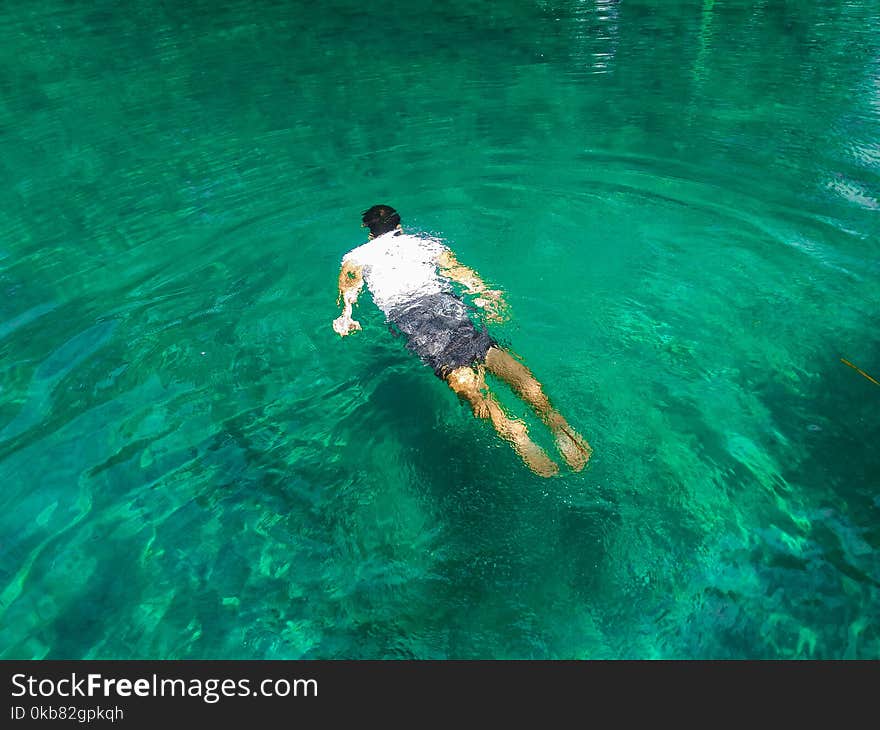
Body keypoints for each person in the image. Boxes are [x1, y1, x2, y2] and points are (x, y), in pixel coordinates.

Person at [332, 204, 591, 477]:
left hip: (410, 316)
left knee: (464, 384)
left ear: (369, 233)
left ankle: (516, 434)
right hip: (445, 304)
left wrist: (346, 316)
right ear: (400, 226)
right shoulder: (425, 244)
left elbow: (349, 290)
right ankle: (556, 423)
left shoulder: (356, 257)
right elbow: (460, 273)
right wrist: (486, 296)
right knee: (491, 354)